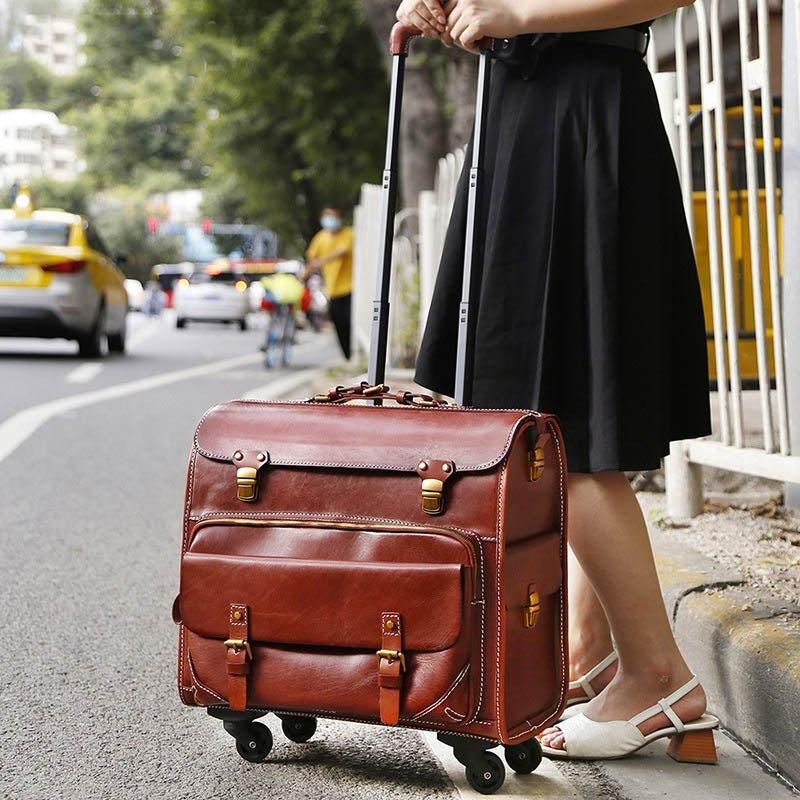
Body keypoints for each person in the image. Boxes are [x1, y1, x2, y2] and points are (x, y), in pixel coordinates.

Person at [397, 0, 717, 762]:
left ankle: (659, 675)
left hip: (579, 115)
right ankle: (590, 655)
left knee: (554, 424)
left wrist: (516, 11)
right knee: (542, 418)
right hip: (527, 114)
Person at [306, 207, 354, 359]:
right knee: (338, 323)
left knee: (349, 322)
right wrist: (307, 271)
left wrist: (321, 261)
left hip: (350, 287)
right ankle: (347, 356)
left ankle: (352, 353)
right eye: (327, 217)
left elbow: (342, 252)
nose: (330, 221)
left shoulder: (348, 234)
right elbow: (311, 256)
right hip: (332, 289)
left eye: (333, 217)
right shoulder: (321, 237)